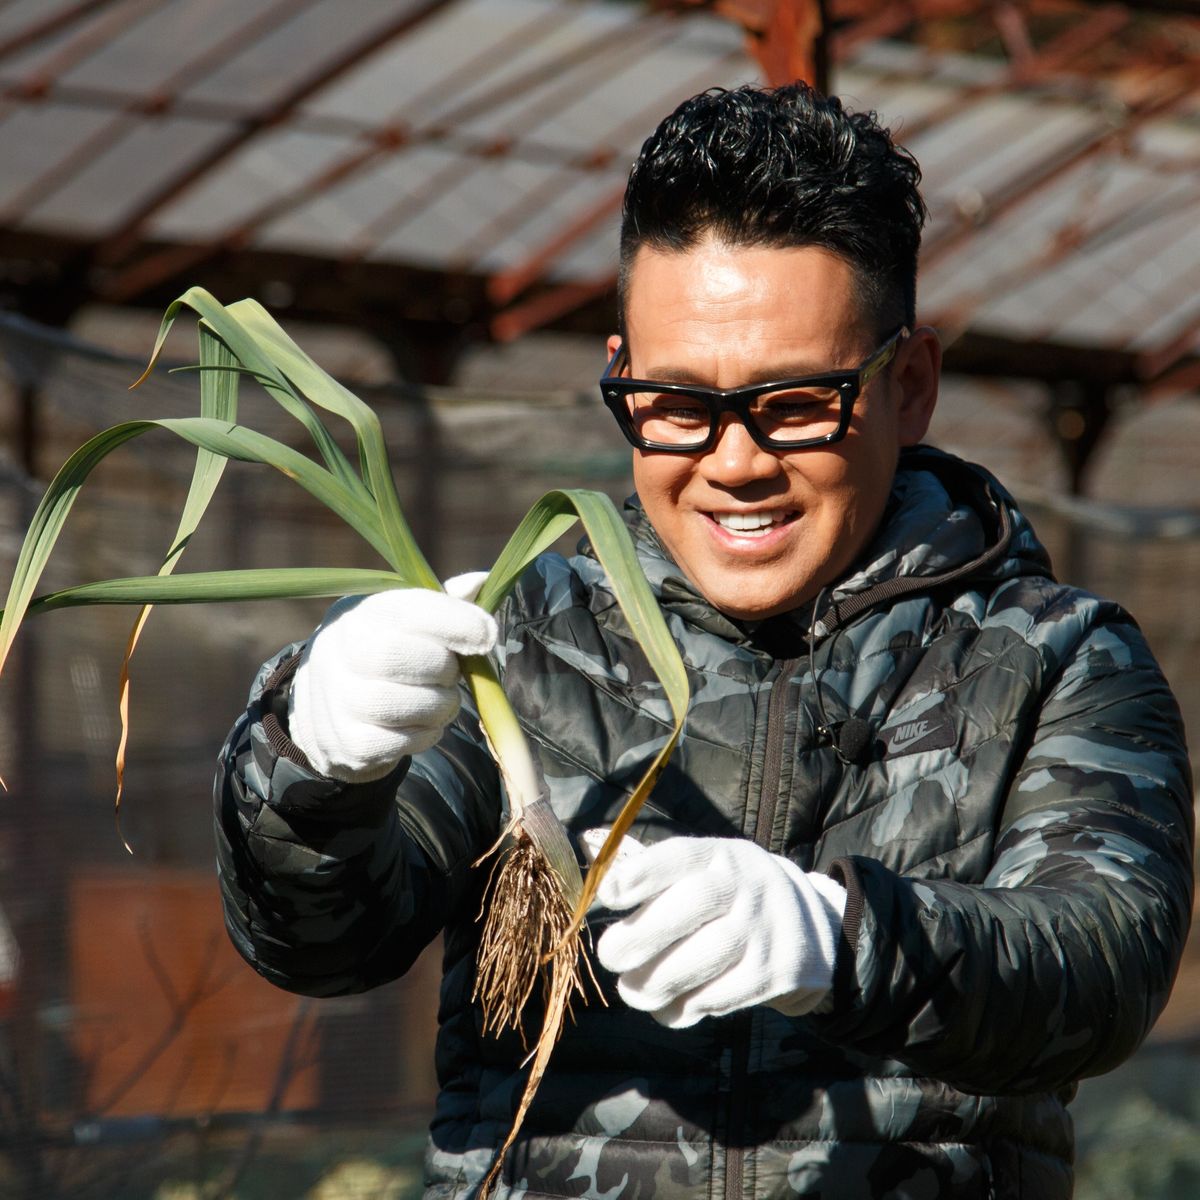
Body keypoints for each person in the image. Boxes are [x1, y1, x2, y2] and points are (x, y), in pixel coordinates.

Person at [214, 84, 1194, 1199]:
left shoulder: (1054, 663)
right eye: (676, 401)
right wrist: (314, 765)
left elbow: (1101, 961)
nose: (731, 462)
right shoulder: (533, 642)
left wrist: (844, 940)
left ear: (909, 385)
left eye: (794, 403)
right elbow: (326, 942)